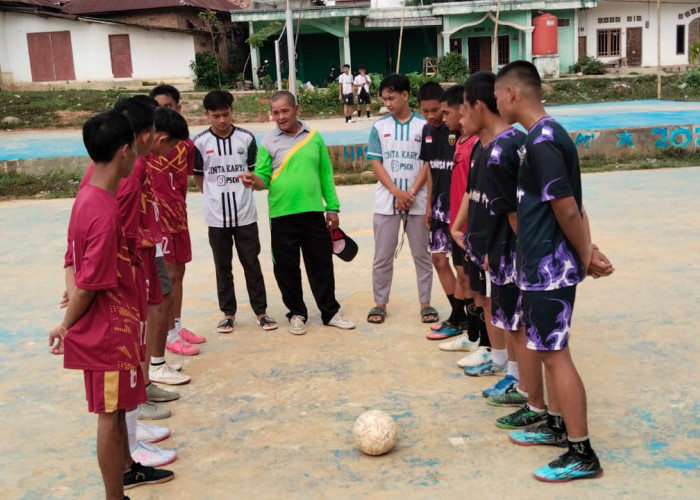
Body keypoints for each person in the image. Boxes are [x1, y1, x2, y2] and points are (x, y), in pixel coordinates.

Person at [493, 60, 614, 482]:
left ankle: (581, 453)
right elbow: (570, 202)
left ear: (511, 94)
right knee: (547, 352)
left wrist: (584, 255)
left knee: (555, 355)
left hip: (549, 268)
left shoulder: (543, 141)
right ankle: (559, 426)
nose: (496, 103)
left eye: (497, 95)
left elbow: (566, 206)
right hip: (542, 263)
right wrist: (587, 248)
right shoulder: (543, 137)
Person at [49, 110, 174, 499]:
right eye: (137, 147)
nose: (140, 154)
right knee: (108, 415)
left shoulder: (87, 197)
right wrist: (65, 325)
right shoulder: (103, 211)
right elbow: (89, 285)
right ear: (124, 151)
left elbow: (71, 258)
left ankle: (124, 477)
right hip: (108, 333)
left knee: (117, 412)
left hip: (114, 328)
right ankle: (114, 495)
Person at [240, 90, 355, 335]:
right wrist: (253, 181)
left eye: (285, 110)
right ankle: (296, 314)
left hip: (313, 212)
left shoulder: (314, 137)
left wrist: (332, 207)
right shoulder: (268, 141)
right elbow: (263, 178)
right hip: (281, 215)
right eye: (276, 112)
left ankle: (330, 312)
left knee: (321, 265)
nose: (280, 116)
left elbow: (326, 174)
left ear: (296, 109)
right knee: (286, 267)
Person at [193, 90, 278, 334]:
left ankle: (261, 312)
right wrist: (212, 198)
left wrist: (250, 182)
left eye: (225, 114)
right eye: (215, 115)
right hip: (216, 218)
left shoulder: (247, 139)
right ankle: (228, 314)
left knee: (251, 263)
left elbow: (254, 173)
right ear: (207, 115)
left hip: (245, 215)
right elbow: (199, 178)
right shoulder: (199, 143)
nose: (221, 120)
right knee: (223, 266)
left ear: (232, 111)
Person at [450, 75, 511, 379]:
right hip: (479, 241)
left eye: (463, 111)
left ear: (478, 106)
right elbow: (471, 193)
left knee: (500, 307)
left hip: (495, 247)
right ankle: (498, 358)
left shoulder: (507, 149)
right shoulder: (481, 150)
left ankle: (505, 364)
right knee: (486, 301)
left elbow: (511, 212)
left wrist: (495, 246)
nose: (460, 119)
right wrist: (458, 226)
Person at [366, 74, 436, 325]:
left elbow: (429, 162)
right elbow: (376, 162)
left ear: (405, 96)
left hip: (418, 202)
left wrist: (412, 192)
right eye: (384, 99)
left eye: (392, 98)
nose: (388, 103)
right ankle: (380, 303)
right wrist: (397, 192)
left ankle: (426, 304)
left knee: (422, 255)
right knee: (382, 256)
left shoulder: (424, 125)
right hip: (387, 201)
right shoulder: (379, 127)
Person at [148, 85, 206, 370]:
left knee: (180, 272)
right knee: (167, 277)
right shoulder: (147, 150)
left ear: (179, 109)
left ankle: (177, 325)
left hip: (179, 216)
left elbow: (189, 178)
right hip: (158, 221)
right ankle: (168, 335)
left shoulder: (186, 145)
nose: (164, 112)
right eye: (159, 108)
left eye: (169, 107)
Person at [419, 83, 467, 340]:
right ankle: (456, 314)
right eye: (425, 111)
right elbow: (430, 169)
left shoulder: (459, 131)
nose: (431, 116)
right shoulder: (427, 131)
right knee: (439, 259)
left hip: (459, 208)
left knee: (463, 268)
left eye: (436, 110)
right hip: (437, 207)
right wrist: (428, 205)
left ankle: (463, 317)